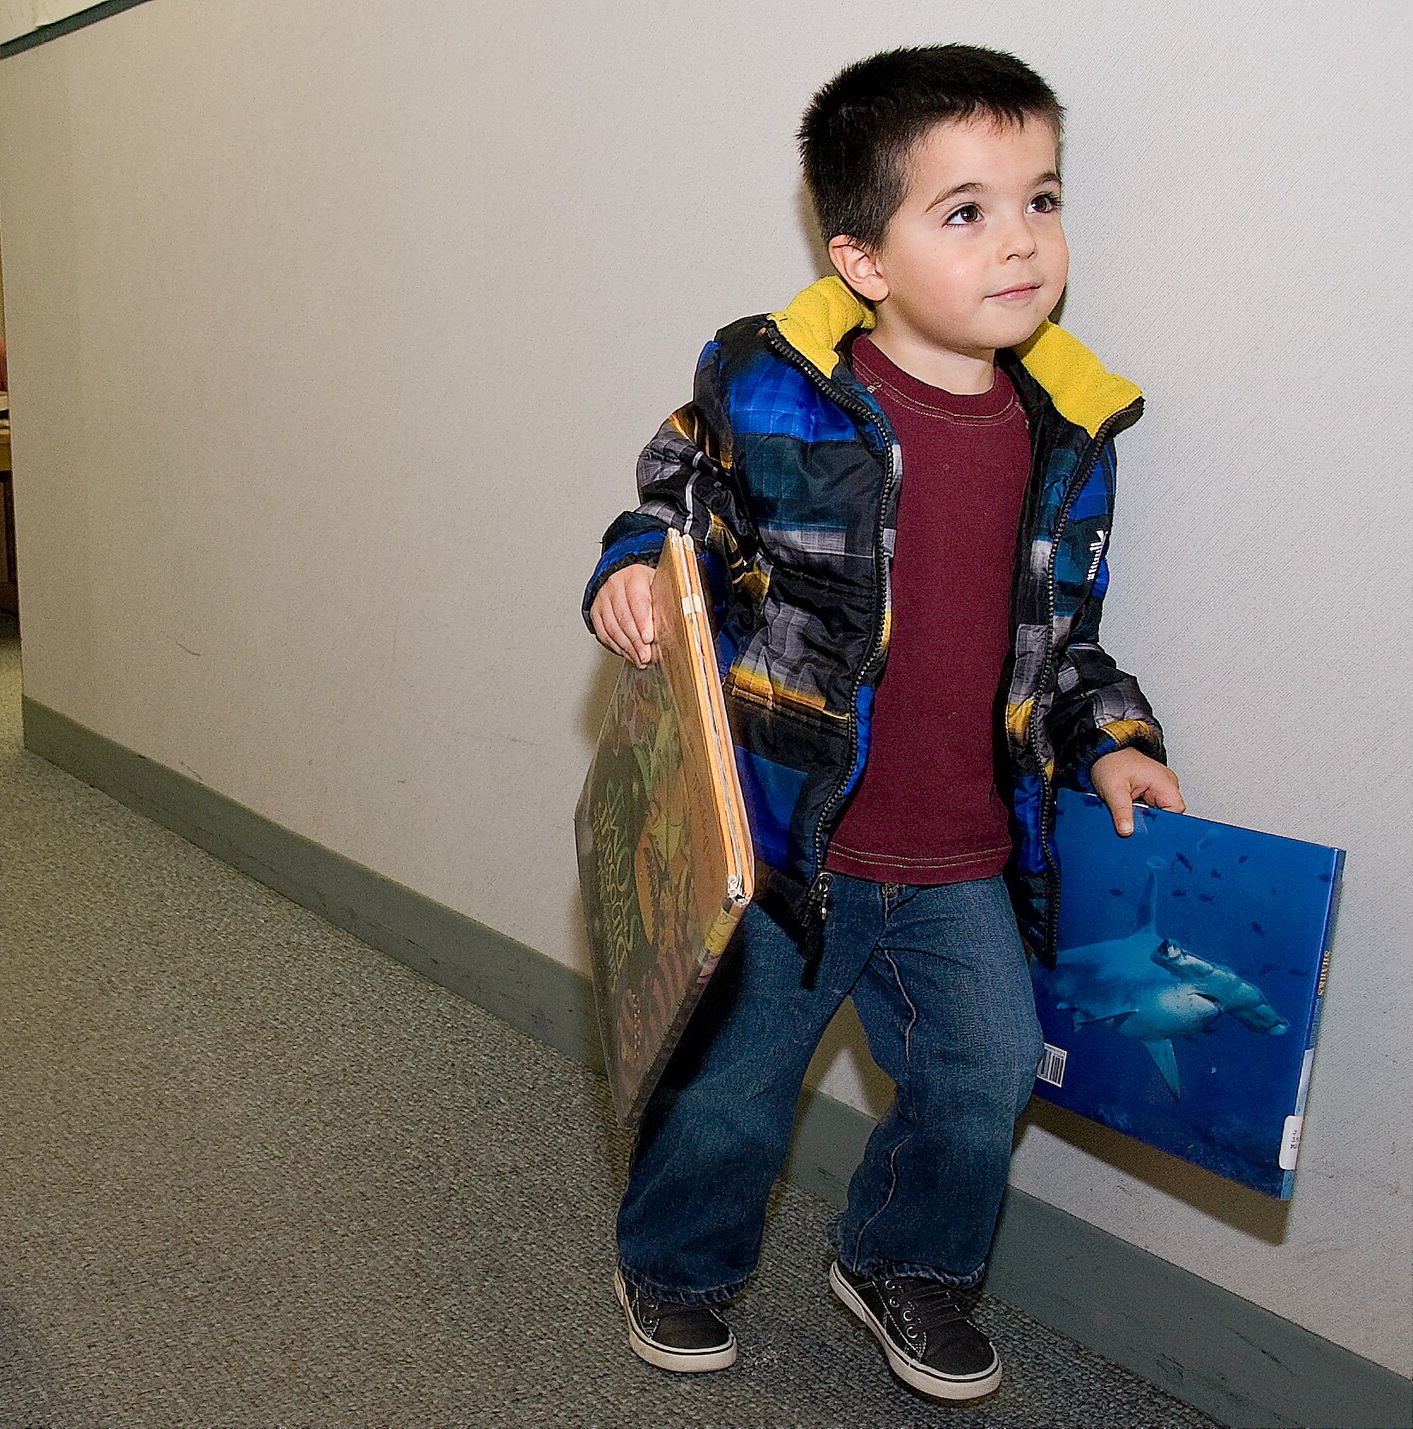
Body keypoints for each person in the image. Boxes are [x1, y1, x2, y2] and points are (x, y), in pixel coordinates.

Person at [584, 46, 1184, 1401]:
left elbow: (1058, 641)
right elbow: (673, 500)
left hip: (964, 847)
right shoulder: (771, 383)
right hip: (796, 840)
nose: (1021, 242)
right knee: (735, 1089)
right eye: (965, 212)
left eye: (1041, 197)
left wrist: (1115, 736)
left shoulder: (1066, 431)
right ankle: (675, 1268)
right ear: (862, 258)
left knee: (983, 1077)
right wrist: (631, 568)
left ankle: (904, 1262)